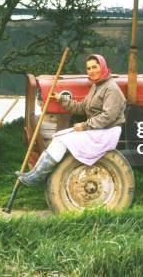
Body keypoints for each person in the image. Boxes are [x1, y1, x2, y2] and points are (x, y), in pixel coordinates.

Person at [17, 54, 126, 186]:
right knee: (58, 136)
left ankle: (37, 177)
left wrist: (85, 125)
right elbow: (81, 108)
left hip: (107, 132)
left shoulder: (111, 88)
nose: (91, 71)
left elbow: (108, 116)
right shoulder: (96, 86)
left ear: (103, 67)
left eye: (94, 67)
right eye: (88, 68)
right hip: (97, 129)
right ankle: (36, 173)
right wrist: (61, 99)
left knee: (62, 140)